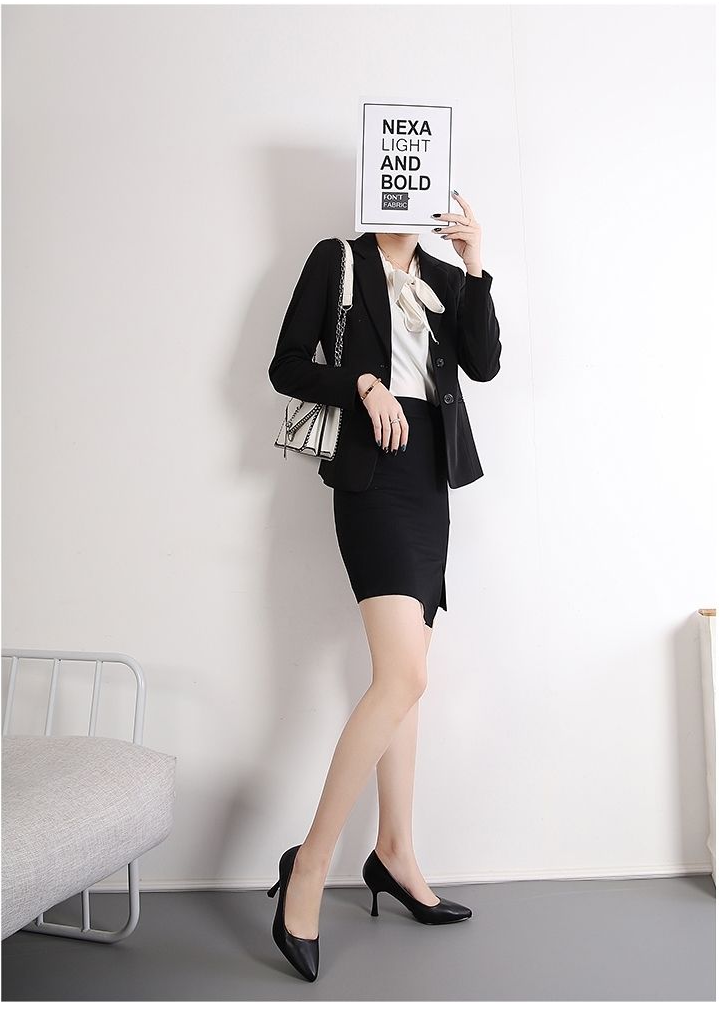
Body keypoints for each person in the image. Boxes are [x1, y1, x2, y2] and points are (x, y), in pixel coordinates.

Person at [266, 190, 501, 981]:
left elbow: (483, 363)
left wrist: (475, 266)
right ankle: (309, 865)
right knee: (404, 676)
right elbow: (287, 366)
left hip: (429, 478)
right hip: (372, 478)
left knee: (406, 679)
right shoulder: (338, 260)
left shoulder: (445, 275)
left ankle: (395, 851)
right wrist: (363, 383)